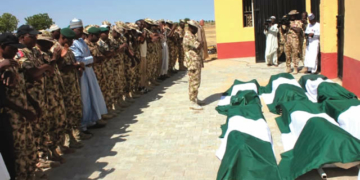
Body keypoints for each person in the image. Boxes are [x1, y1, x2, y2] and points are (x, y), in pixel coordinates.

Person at [0, 33, 34, 180]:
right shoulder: (3, 64)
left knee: (26, 149)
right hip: (11, 116)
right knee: (15, 152)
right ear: (1, 47)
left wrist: (33, 105)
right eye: (11, 48)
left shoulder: (11, 63)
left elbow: (21, 88)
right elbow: (4, 99)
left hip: (22, 113)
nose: (15, 52)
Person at [69, 18, 107, 135]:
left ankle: (92, 120)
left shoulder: (81, 41)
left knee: (92, 95)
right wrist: (92, 59)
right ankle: (84, 125)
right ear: (73, 29)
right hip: (82, 74)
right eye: (79, 29)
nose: (81, 32)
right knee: (84, 98)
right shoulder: (73, 43)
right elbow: (78, 59)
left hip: (89, 71)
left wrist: (90, 60)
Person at [183, 20, 204, 110]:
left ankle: (195, 98)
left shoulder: (192, 35)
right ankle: (192, 101)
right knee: (193, 82)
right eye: (195, 28)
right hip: (192, 63)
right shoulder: (188, 36)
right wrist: (200, 33)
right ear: (191, 27)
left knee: (196, 81)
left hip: (195, 62)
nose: (196, 30)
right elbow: (199, 45)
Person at [285, 10, 303, 74]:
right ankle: (288, 67)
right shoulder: (288, 22)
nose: (292, 17)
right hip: (288, 40)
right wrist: (284, 24)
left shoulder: (298, 22)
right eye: (291, 15)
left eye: (293, 15)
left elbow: (298, 30)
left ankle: (295, 68)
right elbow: (284, 30)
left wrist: (291, 27)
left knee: (295, 54)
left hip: (295, 40)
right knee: (287, 54)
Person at [136, 19, 151, 93]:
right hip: (140, 55)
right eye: (140, 24)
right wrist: (143, 34)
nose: (142, 26)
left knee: (144, 72)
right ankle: (141, 87)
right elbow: (141, 40)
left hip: (144, 54)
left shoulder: (142, 32)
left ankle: (143, 86)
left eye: (143, 24)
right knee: (141, 72)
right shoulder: (137, 33)